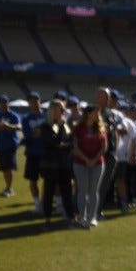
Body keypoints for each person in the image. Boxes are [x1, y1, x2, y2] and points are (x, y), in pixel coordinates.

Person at [38, 98, 77, 229]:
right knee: (48, 194)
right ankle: (47, 220)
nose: (64, 112)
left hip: (64, 164)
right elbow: (55, 143)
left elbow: (70, 144)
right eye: (61, 109)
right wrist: (60, 128)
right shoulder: (45, 126)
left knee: (67, 193)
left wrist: (62, 145)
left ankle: (72, 218)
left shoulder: (65, 126)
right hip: (50, 165)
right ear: (54, 110)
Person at [72, 103, 108, 228]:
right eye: (95, 112)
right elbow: (75, 147)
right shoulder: (78, 128)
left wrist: (93, 160)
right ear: (88, 114)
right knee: (82, 190)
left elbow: (104, 147)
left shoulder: (101, 128)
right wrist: (86, 159)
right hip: (80, 163)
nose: (97, 115)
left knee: (94, 190)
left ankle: (92, 217)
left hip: (98, 163)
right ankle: (82, 216)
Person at [0, 94, 21, 197]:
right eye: (1, 103)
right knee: (3, 168)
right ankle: (7, 187)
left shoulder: (13, 115)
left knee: (8, 167)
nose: (3, 105)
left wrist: (7, 126)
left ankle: (9, 188)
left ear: (8, 103)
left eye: (4, 102)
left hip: (10, 144)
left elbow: (19, 127)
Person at [21, 93, 46, 213]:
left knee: (48, 180)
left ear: (40, 101)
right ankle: (37, 204)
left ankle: (45, 202)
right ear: (28, 103)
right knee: (33, 180)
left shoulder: (47, 116)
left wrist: (38, 132)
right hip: (32, 153)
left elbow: (49, 133)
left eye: (36, 100)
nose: (34, 103)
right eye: (31, 101)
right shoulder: (26, 118)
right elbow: (28, 135)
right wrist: (41, 132)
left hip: (46, 153)